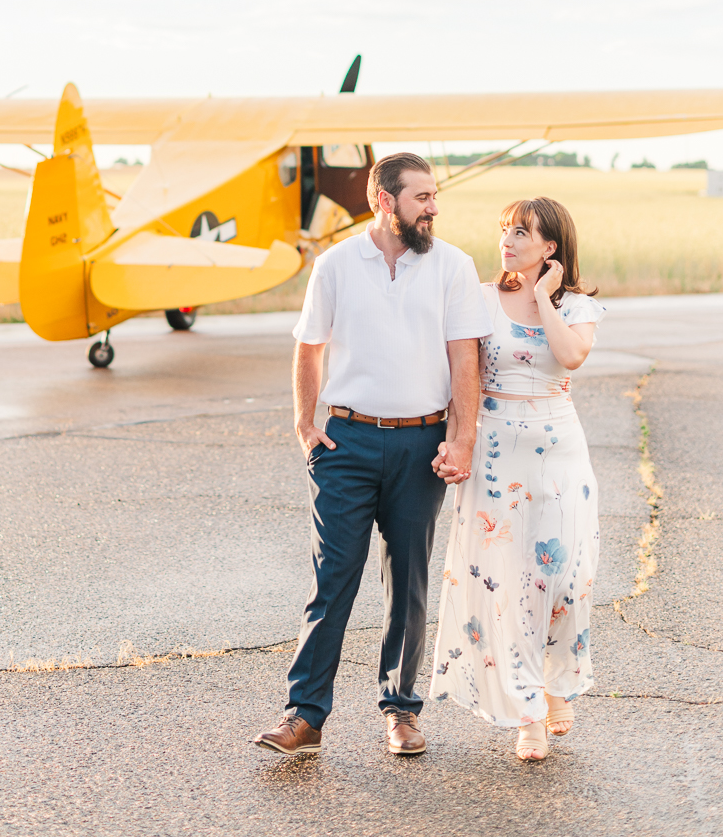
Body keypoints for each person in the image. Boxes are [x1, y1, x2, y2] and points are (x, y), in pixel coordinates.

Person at [253, 151, 488, 759]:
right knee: (334, 579)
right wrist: (306, 427)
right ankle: (304, 716)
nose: (434, 207)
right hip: (347, 443)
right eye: (421, 197)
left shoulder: (454, 267)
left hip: (422, 443)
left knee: (407, 581)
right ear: (383, 201)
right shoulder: (334, 266)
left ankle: (401, 711)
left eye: (434, 196)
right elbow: (309, 348)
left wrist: (461, 439)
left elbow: (467, 358)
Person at [429, 196, 604, 762]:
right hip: (500, 449)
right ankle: (528, 712)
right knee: (510, 583)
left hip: (560, 451)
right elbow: (466, 378)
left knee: (568, 578)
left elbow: (571, 356)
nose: (507, 240)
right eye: (505, 229)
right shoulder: (481, 300)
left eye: (521, 232)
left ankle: (558, 684)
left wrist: (546, 297)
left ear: (549, 248)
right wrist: (458, 443)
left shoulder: (576, 306)